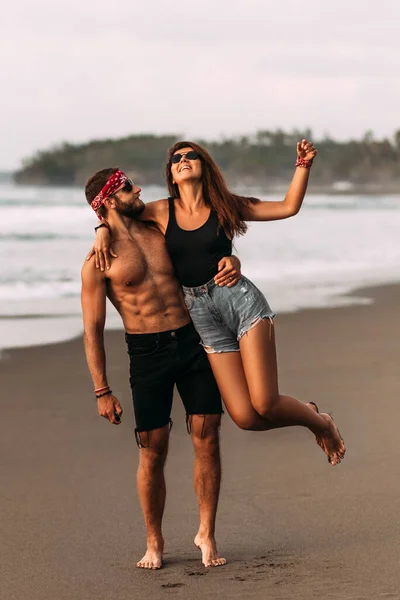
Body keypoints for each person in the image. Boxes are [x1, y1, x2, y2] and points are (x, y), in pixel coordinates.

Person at [91, 140, 345, 466]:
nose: (183, 160)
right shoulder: (159, 211)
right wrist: (100, 228)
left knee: (265, 404)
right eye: (176, 158)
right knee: (244, 418)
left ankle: (321, 422)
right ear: (171, 173)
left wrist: (303, 165)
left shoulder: (226, 205)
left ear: (203, 165)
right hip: (202, 317)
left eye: (190, 155)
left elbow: (287, 206)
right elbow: (115, 211)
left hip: (241, 304)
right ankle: (308, 413)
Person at [81, 168, 241, 569]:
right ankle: (155, 542)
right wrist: (102, 390)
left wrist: (231, 258)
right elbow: (92, 331)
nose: (139, 191)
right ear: (111, 200)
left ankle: (206, 533)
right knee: (153, 450)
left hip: (191, 340)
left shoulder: (159, 230)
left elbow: (206, 247)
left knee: (207, 434)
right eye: (129, 188)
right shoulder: (98, 261)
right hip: (147, 352)